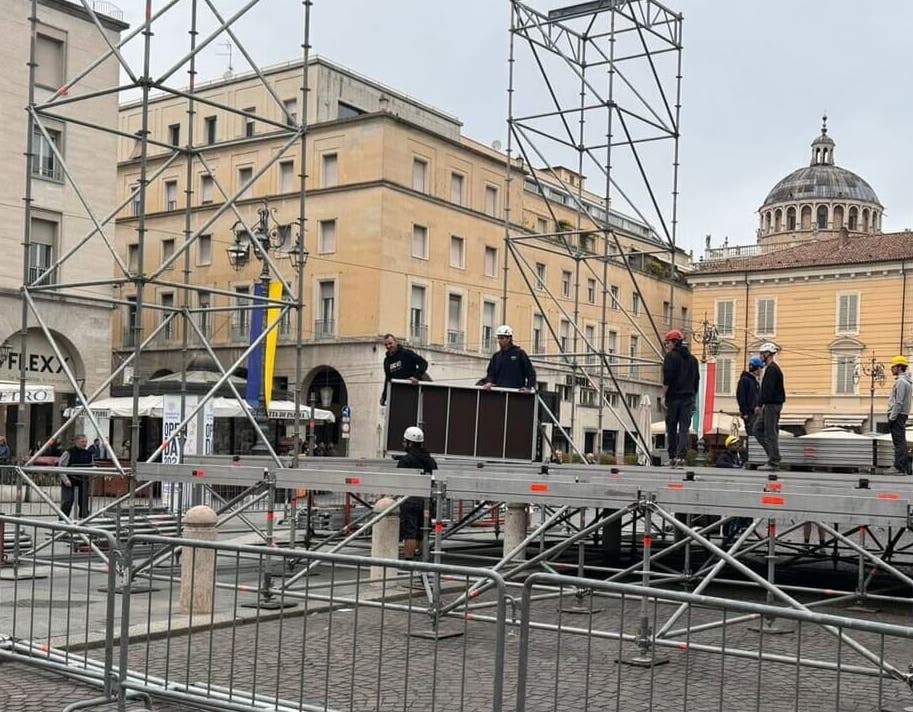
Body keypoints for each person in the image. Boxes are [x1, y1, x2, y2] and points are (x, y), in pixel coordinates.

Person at [396, 426, 437, 561]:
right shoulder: (430, 460)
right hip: (426, 500)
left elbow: (399, 479)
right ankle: (422, 558)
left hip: (410, 499)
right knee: (422, 531)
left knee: (410, 532)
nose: (403, 444)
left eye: (405, 441)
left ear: (409, 442)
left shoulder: (406, 460)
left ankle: (409, 560)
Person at [661, 329, 699, 467]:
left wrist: (663, 394)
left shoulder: (671, 357)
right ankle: (681, 457)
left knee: (671, 427)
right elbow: (696, 381)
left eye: (668, 342)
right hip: (688, 398)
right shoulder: (693, 360)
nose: (666, 345)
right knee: (684, 428)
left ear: (674, 342)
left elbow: (668, 378)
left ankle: (671, 456)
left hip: (674, 397)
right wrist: (693, 397)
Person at [717, 435, 752, 547]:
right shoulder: (725, 456)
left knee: (741, 513)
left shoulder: (740, 455)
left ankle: (739, 530)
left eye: (738, 445)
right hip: (730, 487)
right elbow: (720, 464)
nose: (737, 447)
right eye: (734, 445)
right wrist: (733, 466)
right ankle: (727, 535)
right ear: (729, 446)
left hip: (740, 487)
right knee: (729, 515)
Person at [754, 342, 785, 471]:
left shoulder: (772, 369)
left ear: (767, 354)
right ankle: (774, 456)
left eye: (762, 354)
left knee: (770, 433)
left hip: (771, 405)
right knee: (758, 429)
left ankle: (774, 461)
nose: (760, 356)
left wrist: (760, 404)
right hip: (770, 404)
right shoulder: (771, 369)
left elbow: (767, 390)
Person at [483, 325, 536, 391]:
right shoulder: (496, 356)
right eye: (498, 338)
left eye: (502, 338)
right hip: (498, 394)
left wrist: (528, 387)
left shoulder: (519, 354)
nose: (499, 341)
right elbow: (490, 373)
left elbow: (531, 373)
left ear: (509, 338)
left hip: (515, 395)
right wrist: (489, 382)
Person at [381, 333, 429, 406]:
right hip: (397, 394)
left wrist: (416, 377)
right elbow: (388, 379)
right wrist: (384, 397)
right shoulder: (387, 361)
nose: (388, 346)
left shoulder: (406, 353)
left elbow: (423, 363)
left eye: (390, 343)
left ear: (396, 342)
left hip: (412, 391)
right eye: (386, 345)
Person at [887, 355, 912, 474]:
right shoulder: (907, 381)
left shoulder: (901, 382)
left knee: (898, 441)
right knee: (901, 440)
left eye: (893, 366)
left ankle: (898, 467)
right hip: (902, 414)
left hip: (897, 414)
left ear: (900, 367)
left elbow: (899, 401)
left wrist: (892, 417)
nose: (891, 369)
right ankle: (904, 467)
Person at [58, 434, 93, 520]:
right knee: (67, 502)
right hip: (70, 482)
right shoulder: (68, 452)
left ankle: (83, 520)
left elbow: (92, 466)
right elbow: (61, 467)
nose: (84, 444)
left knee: (84, 503)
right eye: (82, 442)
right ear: (76, 442)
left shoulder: (88, 454)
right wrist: (65, 480)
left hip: (83, 482)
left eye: (85, 442)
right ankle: (62, 521)